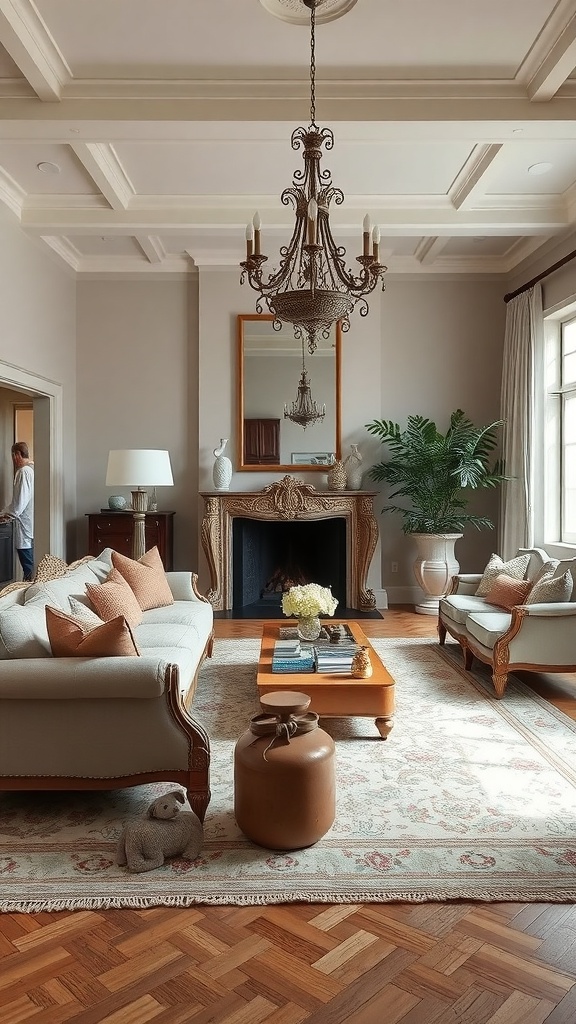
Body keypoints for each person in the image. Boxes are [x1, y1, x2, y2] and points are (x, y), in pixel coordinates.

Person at [0, 441, 34, 581]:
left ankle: (30, 587)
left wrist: (7, 514)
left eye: (14, 455)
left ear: (18, 454)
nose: (13, 459)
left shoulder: (24, 472)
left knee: (27, 562)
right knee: (29, 559)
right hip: (28, 522)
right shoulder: (31, 470)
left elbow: (20, 501)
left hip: (23, 523)